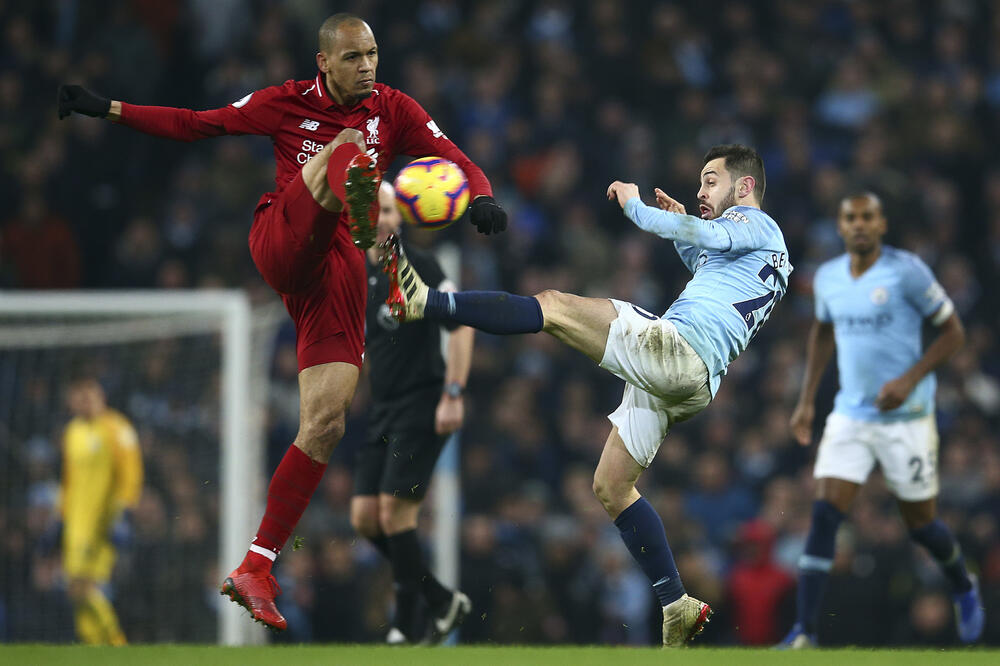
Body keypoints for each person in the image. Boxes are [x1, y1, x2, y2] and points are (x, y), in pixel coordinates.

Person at [56, 13, 506, 631]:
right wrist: (105, 108)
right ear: (324, 61)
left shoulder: (395, 108)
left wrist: (481, 196)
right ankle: (364, 214)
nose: (367, 67)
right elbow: (196, 124)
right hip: (286, 237)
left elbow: (456, 159)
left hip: (338, 269)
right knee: (345, 147)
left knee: (325, 422)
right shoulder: (286, 102)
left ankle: (257, 565)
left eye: (373, 54)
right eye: (353, 57)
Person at [381, 144, 791, 647]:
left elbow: (707, 237)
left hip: (678, 349)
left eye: (711, 181)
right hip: (696, 381)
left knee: (553, 305)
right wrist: (682, 227)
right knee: (612, 487)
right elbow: (711, 264)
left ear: (744, 187)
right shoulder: (762, 248)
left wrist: (636, 206)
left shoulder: (756, 222)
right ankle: (676, 603)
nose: (702, 190)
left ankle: (424, 300)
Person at [780, 192, 984, 647]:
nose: (859, 224)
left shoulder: (908, 271)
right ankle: (805, 632)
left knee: (920, 524)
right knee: (824, 514)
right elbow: (823, 333)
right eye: (850, 217)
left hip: (906, 417)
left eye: (867, 217)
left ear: (881, 224)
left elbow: (953, 333)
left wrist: (909, 380)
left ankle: (963, 585)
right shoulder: (829, 278)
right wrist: (806, 401)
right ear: (840, 226)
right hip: (852, 414)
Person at [350, 182, 475, 644]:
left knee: (394, 513)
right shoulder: (355, 274)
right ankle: (441, 600)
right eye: (374, 211)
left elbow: (461, 325)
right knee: (364, 519)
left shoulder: (418, 267)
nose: (382, 219)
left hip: (422, 401)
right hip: (383, 410)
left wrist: (454, 393)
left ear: (399, 218)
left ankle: (405, 625)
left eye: (388, 211)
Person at [57, 375, 143, 645]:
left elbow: (131, 472)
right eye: (79, 396)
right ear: (71, 401)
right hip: (76, 523)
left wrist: (124, 511)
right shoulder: (72, 431)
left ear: (101, 396)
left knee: (85, 587)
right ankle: (93, 647)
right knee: (75, 590)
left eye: (90, 394)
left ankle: (116, 644)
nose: (85, 401)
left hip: (103, 522)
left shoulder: (117, 427)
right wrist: (61, 516)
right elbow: (69, 479)